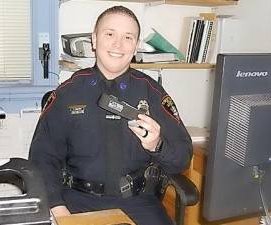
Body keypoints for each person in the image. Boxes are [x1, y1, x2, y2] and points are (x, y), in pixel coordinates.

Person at [29, 5, 192, 225]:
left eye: (128, 37)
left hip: (139, 203)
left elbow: (182, 157)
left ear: (135, 46)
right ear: (94, 40)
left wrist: (157, 145)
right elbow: (42, 159)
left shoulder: (152, 94)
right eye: (110, 34)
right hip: (77, 203)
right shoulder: (67, 94)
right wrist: (59, 210)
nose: (118, 44)